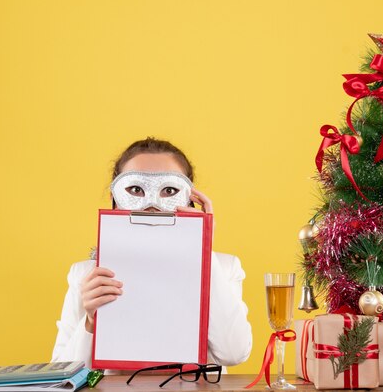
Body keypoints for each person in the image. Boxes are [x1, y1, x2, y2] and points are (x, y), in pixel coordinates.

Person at [51, 137, 253, 371]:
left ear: (191, 200)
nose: (152, 204)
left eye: (169, 190)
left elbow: (234, 353)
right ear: (114, 200)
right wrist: (90, 322)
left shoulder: (224, 268)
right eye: (136, 189)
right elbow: (62, 373)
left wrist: (204, 251)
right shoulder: (88, 275)